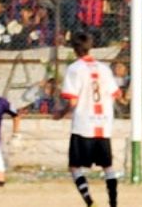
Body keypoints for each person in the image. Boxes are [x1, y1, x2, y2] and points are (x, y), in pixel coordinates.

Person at [56, 32, 120, 207]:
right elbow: (115, 93)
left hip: (84, 124)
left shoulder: (74, 69)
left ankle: (90, 203)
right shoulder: (104, 68)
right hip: (103, 124)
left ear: (74, 49)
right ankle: (113, 203)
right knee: (107, 166)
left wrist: (61, 113)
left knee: (75, 166)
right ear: (90, 47)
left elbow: (72, 101)